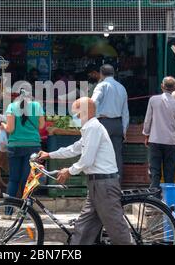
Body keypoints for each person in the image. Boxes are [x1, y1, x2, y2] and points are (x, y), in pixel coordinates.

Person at [38, 97, 132, 245]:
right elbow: (74, 149)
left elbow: (87, 159)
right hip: (96, 184)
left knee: (116, 229)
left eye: (76, 114)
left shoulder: (93, 128)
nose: (75, 118)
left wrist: (69, 171)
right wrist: (50, 154)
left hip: (103, 185)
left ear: (85, 112)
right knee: (84, 228)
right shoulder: (89, 128)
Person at [0, 89, 45, 218]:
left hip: (15, 146)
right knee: (28, 181)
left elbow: (10, 129)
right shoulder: (36, 106)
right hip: (33, 147)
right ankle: (23, 212)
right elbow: (41, 126)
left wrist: (3, 125)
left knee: (13, 180)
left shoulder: (11, 106)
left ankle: (8, 212)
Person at [143, 77, 175, 188]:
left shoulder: (153, 100)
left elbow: (148, 120)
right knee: (169, 173)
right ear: (174, 88)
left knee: (155, 171)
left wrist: (146, 135)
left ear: (162, 86)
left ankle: (154, 199)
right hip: (170, 142)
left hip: (154, 140)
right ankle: (167, 200)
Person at [91, 64, 129, 181]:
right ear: (113, 73)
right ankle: (117, 182)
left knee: (99, 152)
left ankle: (100, 181)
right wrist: (124, 130)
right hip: (118, 124)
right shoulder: (122, 87)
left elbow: (93, 102)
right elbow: (125, 111)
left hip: (104, 123)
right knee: (117, 154)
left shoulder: (101, 86)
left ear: (101, 74)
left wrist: (93, 117)